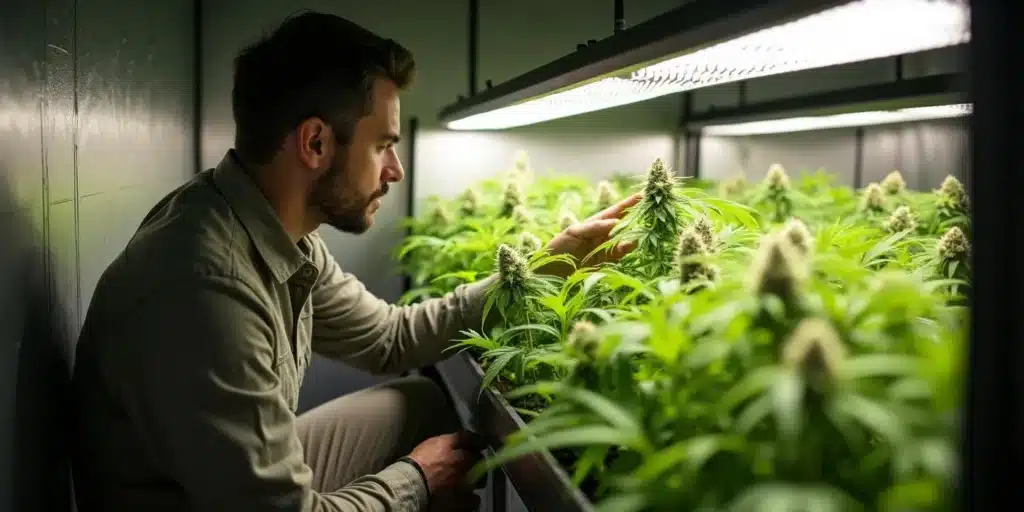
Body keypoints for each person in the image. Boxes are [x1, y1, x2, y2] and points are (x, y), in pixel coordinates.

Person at [69, 9, 640, 512]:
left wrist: (539, 272)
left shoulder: (273, 231)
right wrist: (417, 482)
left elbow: (390, 338)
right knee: (429, 469)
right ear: (315, 143)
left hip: (213, 486)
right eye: (383, 145)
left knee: (421, 404)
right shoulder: (210, 285)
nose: (396, 171)